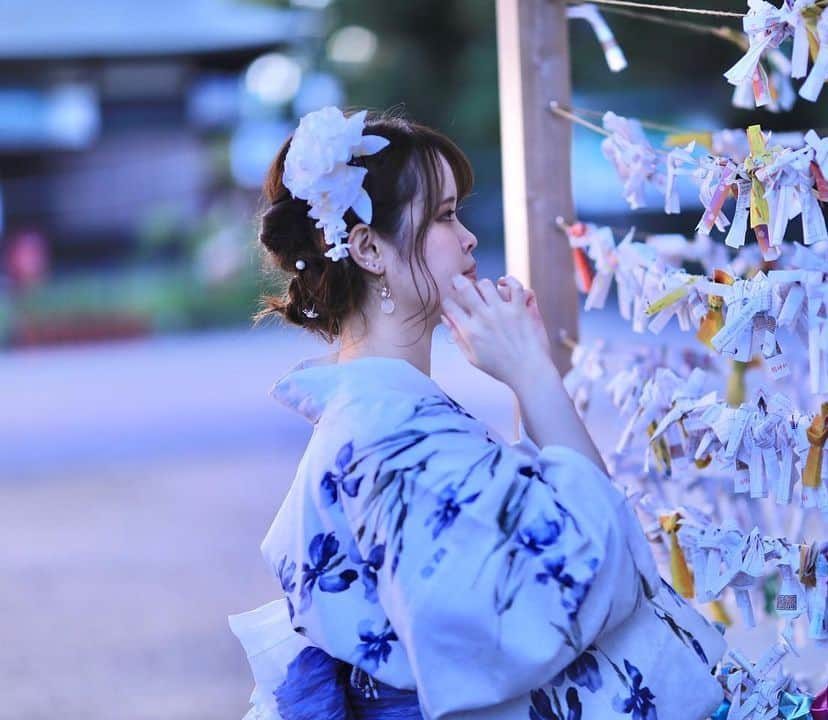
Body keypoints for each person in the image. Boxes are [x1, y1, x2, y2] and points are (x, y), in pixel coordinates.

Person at [228, 107, 727, 720]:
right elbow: (584, 574)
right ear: (367, 248)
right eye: (443, 216)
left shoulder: (386, 413)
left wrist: (530, 372)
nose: (468, 238)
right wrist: (532, 377)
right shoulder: (385, 431)